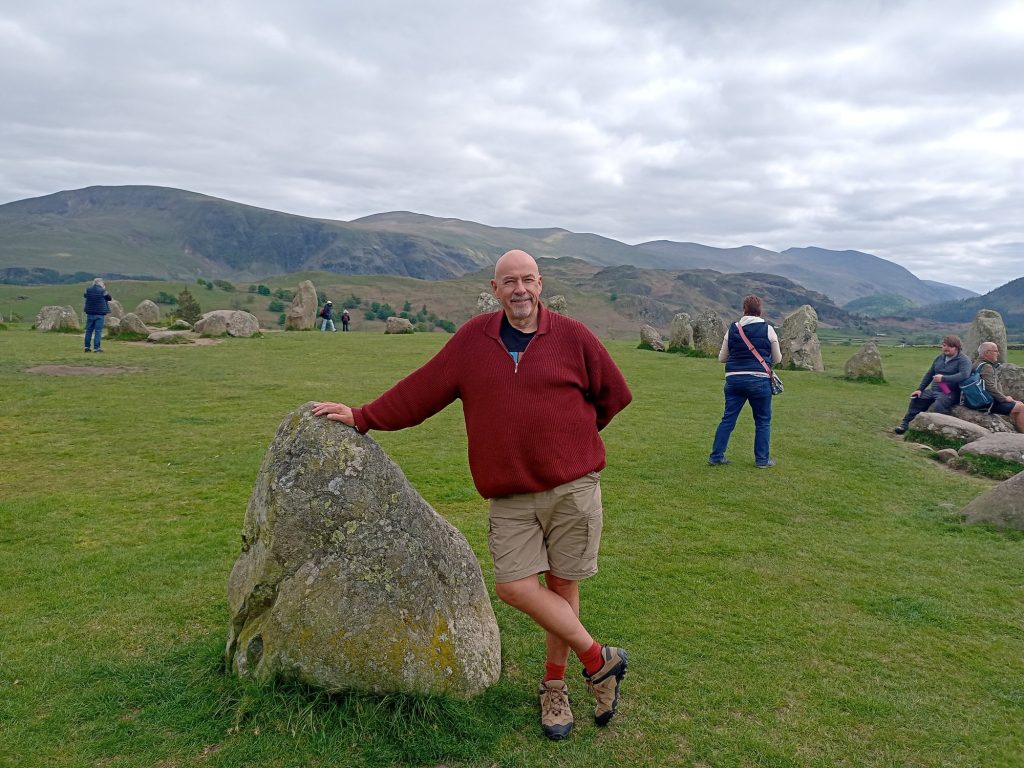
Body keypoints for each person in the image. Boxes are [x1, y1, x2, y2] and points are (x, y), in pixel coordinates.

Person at [313, 249, 632, 741]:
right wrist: (363, 416)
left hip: (572, 489)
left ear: (540, 284)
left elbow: (613, 394)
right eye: (510, 282)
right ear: (495, 288)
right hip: (510, 497)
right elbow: (422, 391)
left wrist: (573, 439)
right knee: (513, 586)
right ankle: (600, 659)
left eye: (528, 280)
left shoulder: (572, 336)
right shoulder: (473, 341)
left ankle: (554, 688)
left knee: (564, 588)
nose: (520, 289)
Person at [708, 294, 783, 468]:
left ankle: (716, 456)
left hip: (734, 380)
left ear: (744, 310)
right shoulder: (769, 329)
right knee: (763, 420)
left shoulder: (733, 329)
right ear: (760, 311)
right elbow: (778, 359)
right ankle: (762, 460)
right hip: (759, 380)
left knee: (728, 419)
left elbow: (722, 358)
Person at [894, 335, 971, 434]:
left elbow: (964, 375)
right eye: (944, 345)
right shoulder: (940, 358)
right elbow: (930, 373)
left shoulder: (964, 360)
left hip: (950, 392)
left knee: (939, 405)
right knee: (917, 398)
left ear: (957, 348)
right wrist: (920, 389)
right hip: (934, 389)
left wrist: (943, 378)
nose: (946, 348)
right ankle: (905, 425)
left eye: (950, 346)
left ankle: (934, 432)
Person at [964, 341, 1024, 432]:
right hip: (987, 403)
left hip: (977, 400)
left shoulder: (977, 364)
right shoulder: (986, 367)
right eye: (996, 351)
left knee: (1019, 404)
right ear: (987, 353)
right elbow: (990, 387)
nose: (998, 353)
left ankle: (1018, 430)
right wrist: (1004, 398)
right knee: (1021, 408)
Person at [82, 277, 112, 352]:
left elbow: (85, 296)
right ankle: (96, 348)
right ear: (100, 283)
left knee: (89, 330)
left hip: (90, 313)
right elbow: (109, 298)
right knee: (98, 331)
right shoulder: (103, 291)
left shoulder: (88, 290)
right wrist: (104, 289)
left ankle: (87, 347)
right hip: (100, 314)